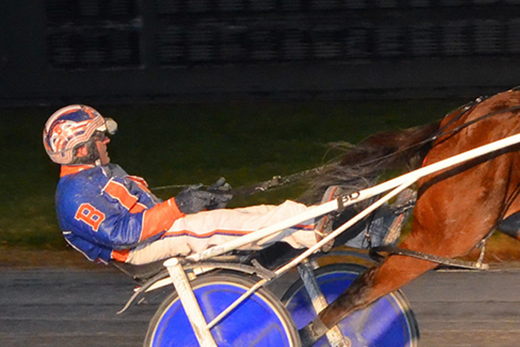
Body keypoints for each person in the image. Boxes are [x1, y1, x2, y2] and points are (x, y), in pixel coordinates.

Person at [43, 104, 346, 266]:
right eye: (99, 138)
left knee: (258, 213)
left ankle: (324, 224)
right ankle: (317, 228)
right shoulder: (73, 194)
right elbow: (122, 234)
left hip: (159, 232)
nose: (106, 140)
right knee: (218, 224)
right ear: (80, 148)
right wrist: (178, 207)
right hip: (140, 249)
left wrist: (200, 202)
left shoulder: (102, 172)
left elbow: (147, 209)